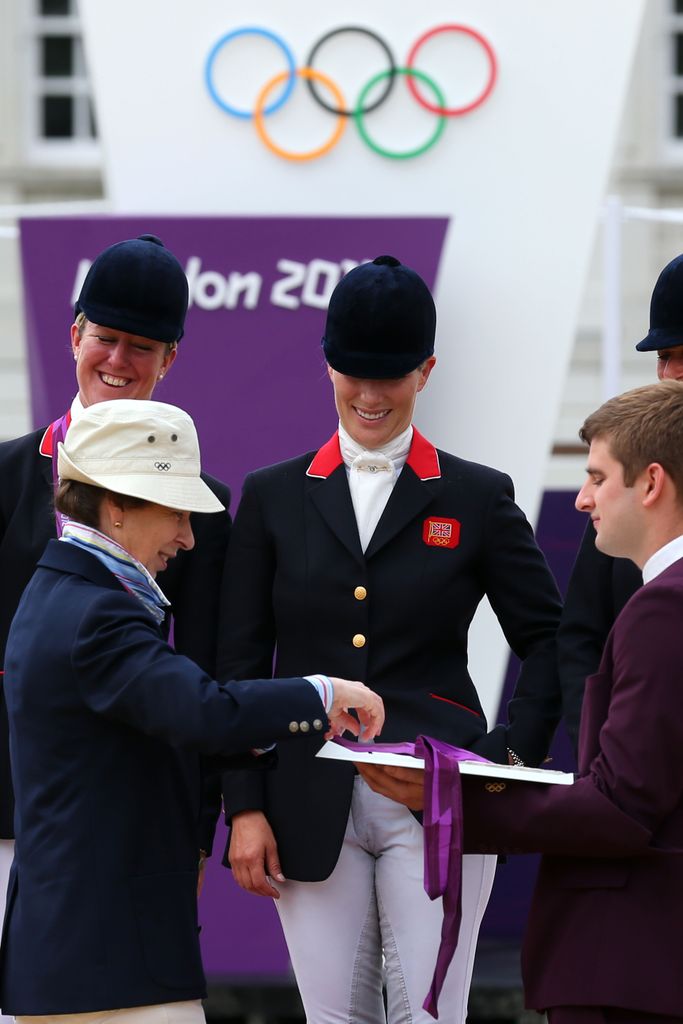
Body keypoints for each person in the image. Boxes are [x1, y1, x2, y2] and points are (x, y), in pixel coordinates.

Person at [218, 256, 563, 1024]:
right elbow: (238, 665)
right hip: (305, 796)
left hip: (438, 793)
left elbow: (550, 638)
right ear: (327, 363)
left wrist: (504, 760)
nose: (370, 396)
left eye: (392, 376)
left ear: (427, 370)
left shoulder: (477, 495)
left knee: (430, 1017)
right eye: (353, 373)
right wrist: (242, 806)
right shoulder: (272, 496)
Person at [0, 399, 384, 1021]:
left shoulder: (61, 594)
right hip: (110, 962)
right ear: (116, 507)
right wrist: (323, 693)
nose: (187, 536)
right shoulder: (96, 614)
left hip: (85, 956)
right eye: (176, 511)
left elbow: (161, 726)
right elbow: (203, 710)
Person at [361, 379, 683, 1024]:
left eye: (595, 476)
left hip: (628, 963)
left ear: (650, 484)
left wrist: (449, 797)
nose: (584, 498)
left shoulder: (664, 609)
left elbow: (622, 807)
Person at [0, 235, 231, 959]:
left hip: (124, 816)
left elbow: (205, 673)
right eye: (105, 338)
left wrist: (195, 834)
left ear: (171, 359)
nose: (119, 362)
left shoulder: (203, 511)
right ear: (74, 335)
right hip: (6, 806)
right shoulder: (6, 475)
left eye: (143, 346)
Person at [559, 252, 683, 752]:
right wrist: (597, 754)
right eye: (662, 357)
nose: (671, 373)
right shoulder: (623, 478)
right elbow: (580, 636)